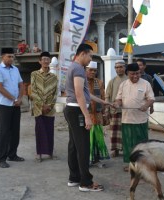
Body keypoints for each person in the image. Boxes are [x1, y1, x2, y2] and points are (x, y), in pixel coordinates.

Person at [63, 43, 110, 192]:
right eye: (90, 55)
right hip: (77, 111)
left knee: (74, 145)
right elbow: (79, 94)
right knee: (83, 147)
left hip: (72, 109)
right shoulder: (78, 69)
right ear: (83, 53)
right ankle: (86, 182)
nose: (90, 59)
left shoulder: (74, 67)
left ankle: (74, 178)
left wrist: (103, 102)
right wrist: (87, 116)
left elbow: (86, 94)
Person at [114, 63, 155, 171]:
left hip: (141, 120)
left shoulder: (146, 84)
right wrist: (117, 104)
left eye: (138, 73)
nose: (136, 76)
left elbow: (151, 99)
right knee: (128, 143)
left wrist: (146, 105)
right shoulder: (123, 84)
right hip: (127, 119)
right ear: (127, 73)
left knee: (142, 143)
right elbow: (118, 99)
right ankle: (131, 164)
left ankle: (143, 164)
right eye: (133, 74)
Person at [0, 48, 25, 168]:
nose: (11, 59)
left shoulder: (15, 69)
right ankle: (1, 158)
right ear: (3, 57)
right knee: (5, 131)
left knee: (15, 130)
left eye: (12, 56)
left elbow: (21, 84)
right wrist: (13, 99)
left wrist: (20, 98)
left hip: (16, 104)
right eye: (9, 56)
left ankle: (13, 154)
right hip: (4, 105)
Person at [30, 52, 58, 162]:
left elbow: (55, 93)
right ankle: (39, 153)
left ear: (50, 61)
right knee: (40, 130)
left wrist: (49, 105)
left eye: (47, 59)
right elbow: (33, 91)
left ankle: (50, 152)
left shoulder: (54, 76)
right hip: (38, 108)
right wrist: (42, 105)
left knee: (49, 130)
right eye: (44, 59)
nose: (46, 61)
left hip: (50, 109)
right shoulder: (34, 74)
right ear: (40, 61)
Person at [85, 61, 109, 167]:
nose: (93, 72)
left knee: (98, 139)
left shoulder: (99, 82)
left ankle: (97, 160)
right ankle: (86, 160)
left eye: (95, 70)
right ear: (85, 70)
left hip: (98, 115)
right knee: (87, 140)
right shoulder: (81, 82)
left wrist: (104, 113)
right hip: (86, 116)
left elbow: (102, 97)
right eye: (90, 70)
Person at [105, 59, 127, 157]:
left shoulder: (128, 80)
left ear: (125, 68)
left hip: (126, 110)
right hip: (114, 110)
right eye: (117, 67)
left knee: (125, 132)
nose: (119, 69)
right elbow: (107, 96)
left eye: (121, 67)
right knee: (114, 132)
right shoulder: (112, 81)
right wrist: (107, 109)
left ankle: (126, 150)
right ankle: (115, 150)